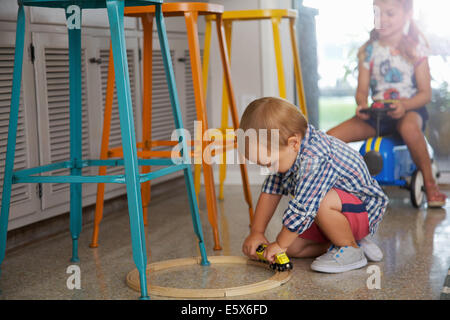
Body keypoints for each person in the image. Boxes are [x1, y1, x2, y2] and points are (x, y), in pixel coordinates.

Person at [239, 97, 388, 273]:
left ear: (293, 143)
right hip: (332, 212)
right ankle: (343, 241)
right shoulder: (288, 152)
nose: (268, 168)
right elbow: (270, 192)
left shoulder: (314, 159)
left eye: (269, 163)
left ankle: (350, 249)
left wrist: (279, 244)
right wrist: (257, 231)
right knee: (293, 248)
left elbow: (304, 208)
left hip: (363, 210)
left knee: (320, 202)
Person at [327, 0, 446, 207]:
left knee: (409, 128)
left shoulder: (416, 49)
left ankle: (430, 183)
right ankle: (334, 185)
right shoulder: (368, 51)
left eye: (390, 13)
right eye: (378, 14)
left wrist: (405, 106)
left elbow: (425, 94)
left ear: (407, 14)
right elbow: (362, 91)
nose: (383, 20)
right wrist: (362, 104)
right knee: (330, 138)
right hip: (378, 113)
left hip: (409, 109)